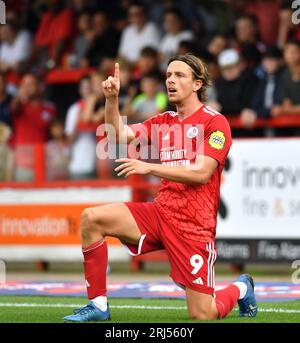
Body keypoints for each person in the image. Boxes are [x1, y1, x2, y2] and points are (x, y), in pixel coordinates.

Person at [63, 55, 258, 322]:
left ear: (197, 84)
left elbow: (202, 173)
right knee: (91, 218)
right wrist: (111, 100)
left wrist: (149, 168)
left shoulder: (215, 123)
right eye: (168, 75)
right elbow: (116, 136)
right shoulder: (162, 122)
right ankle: (98, 306)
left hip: (193, 226)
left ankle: (241, 287)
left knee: (203, 314)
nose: (171, 81)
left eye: (179, 75)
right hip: (160, 213)